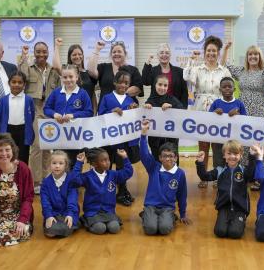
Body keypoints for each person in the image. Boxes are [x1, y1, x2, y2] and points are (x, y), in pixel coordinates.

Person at [221, 41, 264, 191]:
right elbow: (224, 65)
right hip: (243, 110)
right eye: (250, 54)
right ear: (247, 57)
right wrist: (226, 48)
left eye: (256, 54)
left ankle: (258, 177)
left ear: (259, 56)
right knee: (242, 141)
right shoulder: (241, 71)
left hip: (261, 111)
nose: (253, 56)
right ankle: (241, 175)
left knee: (258, 142)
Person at [183, 35, 231, 188]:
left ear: (218, 53)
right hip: (201, 111)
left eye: (214, 51)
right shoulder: (197, 69)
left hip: (219, 111)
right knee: (203, 145)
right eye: (209, 50)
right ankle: (203, 176)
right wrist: (191, 61)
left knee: (218, 147)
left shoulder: (224, 71)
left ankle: (217, 177)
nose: (211, 53)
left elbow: (229, 90)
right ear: (205, 52)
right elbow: (186, 77)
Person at [18, 41, 61, 194]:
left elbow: (60, 86)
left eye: (44, 51)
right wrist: (23, 57)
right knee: (37, 146)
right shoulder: (28, 68)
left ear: (48, 52)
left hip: (50, 109)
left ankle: (47, 178)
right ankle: (36, 181)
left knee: (48, 146)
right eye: (38, 51)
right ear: (34, 53)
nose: (41, 54)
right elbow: (21, 77)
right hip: (34, 109)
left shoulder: (53, 70)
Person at [139, 119, 191, 235]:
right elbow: (144, 154)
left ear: (176, 158)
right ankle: (146, 214)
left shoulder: (180, 173)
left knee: (164, 229)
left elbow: (182, 195)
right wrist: (143, 135)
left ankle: (171, 217)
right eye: (165, 156)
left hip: (167, 207)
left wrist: (183, 214)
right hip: (151, 205)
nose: (168, 159)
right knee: (151, 229)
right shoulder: (153, 167)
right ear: (160, 158)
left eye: (171, 156)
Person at [195, 140, 255, 239]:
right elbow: (204, 176)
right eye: (229, 153)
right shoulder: (220, 170)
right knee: (220, 232)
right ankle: (224, 218)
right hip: (224, 207)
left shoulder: (244, 170)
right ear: (224, 156)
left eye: (236, 154)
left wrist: (252, 157)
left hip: (240, 208)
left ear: (240, 155)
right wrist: (200, 163)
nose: (232, 156)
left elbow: (251, 175)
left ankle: (241, 221)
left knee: (235, 233)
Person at [97, 70, 139, 206]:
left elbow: (134, 119)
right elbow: (100, 115)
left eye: (126, 83)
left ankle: (122, 191)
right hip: (109, 140)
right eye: (120, 82)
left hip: (124, 141)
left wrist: (134, 110)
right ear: (115, 82)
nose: (123, 85)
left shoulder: (130, 99)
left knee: (122, 166)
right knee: (107, 166)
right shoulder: (107, 98)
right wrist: (111, 112)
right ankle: (107, 190)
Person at [69, 148, 133, 235]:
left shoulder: (113, 175)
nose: (108, 162)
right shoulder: (88, 176)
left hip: (108, 211)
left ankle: (100, 222)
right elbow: (74, 180)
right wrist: (79, 163)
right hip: (92, 212)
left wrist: (125, 157)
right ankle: (85, 219)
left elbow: (128, 173)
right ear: (94, 164)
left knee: (114, 228)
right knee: (100, 228)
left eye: (108, 160)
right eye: (104, 160)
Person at [44, 64, 93, 162]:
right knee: (60, 163)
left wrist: (73, 115)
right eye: (65, 77)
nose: (68, 79)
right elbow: (46, 108)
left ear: (76, 77)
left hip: (76, 136)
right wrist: (54, 114)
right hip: (59, 136)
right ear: (61, 78)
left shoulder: (83, 93)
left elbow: (89, 112)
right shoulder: (56, 92)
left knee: (74, 165)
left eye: (71, 76)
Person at [0, 71, 35, 165]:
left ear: (24, 85)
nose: (16, 85)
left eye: (20, 82)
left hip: (23, 131)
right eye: (14, 82)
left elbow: (32, 116)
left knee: (23, 157)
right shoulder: (3, 100)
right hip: (8, 130)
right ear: (9, 83)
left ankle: (21, 177)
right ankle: (7, 178)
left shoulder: (28, 99)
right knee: (7, 155)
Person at [208, 77, 247, 183]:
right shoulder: (216, 103)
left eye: (230, 87)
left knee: (233, 157)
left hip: (234, 139)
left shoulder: (239, 104)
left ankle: (235, 178)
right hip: (218, 139)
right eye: (224, 87)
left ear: (234, 89)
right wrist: (215, 113)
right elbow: (207, 119)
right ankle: (219, 179)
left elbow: (246, 121)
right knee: (218, 159)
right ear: (220, 89)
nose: (227, 89)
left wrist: (237, 115)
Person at [144, 74, 184, 163]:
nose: (162, 88)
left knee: (172, 162)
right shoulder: (150, 100)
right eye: (160, 84)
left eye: (165, 85)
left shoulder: (172, 99)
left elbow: (182, 110)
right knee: (157, 162)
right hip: (155, 141)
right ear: (155, 85)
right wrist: (146, 107)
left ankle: (174, 177)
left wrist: (171, 106)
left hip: (171, 140)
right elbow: (144, 117)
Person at [40, 150, 80, 238]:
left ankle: (68, 226)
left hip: (67, 212)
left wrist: (70, 214)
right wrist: (49, 216)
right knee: (50, 232)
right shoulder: (45, 183)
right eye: (54, 163)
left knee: (60, 228)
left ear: (66, 165)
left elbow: (72, 200)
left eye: (61, 163)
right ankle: (62, 229)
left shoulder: (71, 180)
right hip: (54, 213)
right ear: (49, 165)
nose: (57, 166)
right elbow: (45, 202)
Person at [52, 38, 98, 108]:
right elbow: (56, 66)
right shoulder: (66, 71)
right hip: (70, 111)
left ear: (83, 56)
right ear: (69, 57)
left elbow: (93, 95)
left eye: (80, 54)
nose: (77, 57)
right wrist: (57, 46)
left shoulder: (89, 73)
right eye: (74, 55)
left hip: (87, 112)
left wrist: (94, 111)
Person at [142, 43, 188, 108]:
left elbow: (184, 93)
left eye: (167, 53)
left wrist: (184, 109)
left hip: (175, 107)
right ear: (158, 56)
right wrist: (148, 62)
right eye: (161, 53)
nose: (164, 55)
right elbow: (145, 81)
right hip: (156, 108)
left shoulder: (180, 71)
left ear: (170, 55)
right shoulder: (153, 70)